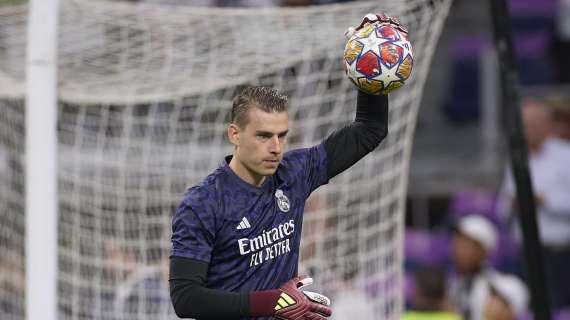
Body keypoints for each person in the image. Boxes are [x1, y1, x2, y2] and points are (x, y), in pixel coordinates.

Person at [169, 13, 405, 320]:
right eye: (264, 136)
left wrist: (369, 61)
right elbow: (186, 299)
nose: (276, 147)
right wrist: (276, 302)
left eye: (282, 135)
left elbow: (371, 130)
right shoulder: (203, 203)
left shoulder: (294, 173)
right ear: (234, 134)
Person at [497, 97, 570, 308]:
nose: (528, 130)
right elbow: (503, 204)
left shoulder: (565, 156)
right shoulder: (517, 158)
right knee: (523, 307)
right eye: (523, 124)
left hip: (559, 252)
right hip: (524, 250)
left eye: (533, 124)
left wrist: (543, 201)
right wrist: (511, 205)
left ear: (547, 125)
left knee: (554, 307)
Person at [448, 215, 499, 320]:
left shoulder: (499, 288)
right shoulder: (451, 285)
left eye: (466, 245)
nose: (458, 250)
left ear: (484, 251)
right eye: (457, 242)